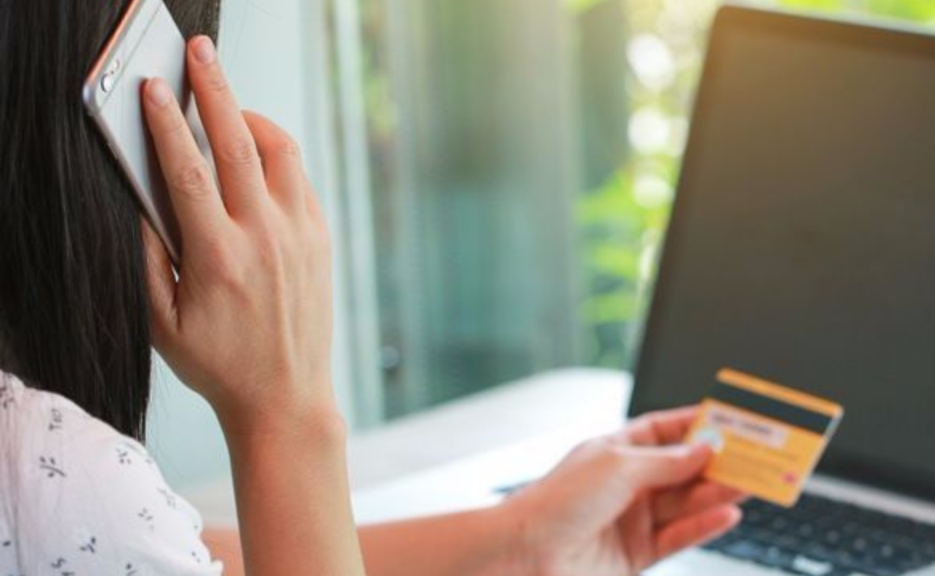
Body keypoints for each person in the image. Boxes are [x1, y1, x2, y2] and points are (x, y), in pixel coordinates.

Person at [0, 1, 744, 574]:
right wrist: (285, 410)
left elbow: (166, 551)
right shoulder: (49, 467)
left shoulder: (73, 499)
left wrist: (519, 541)